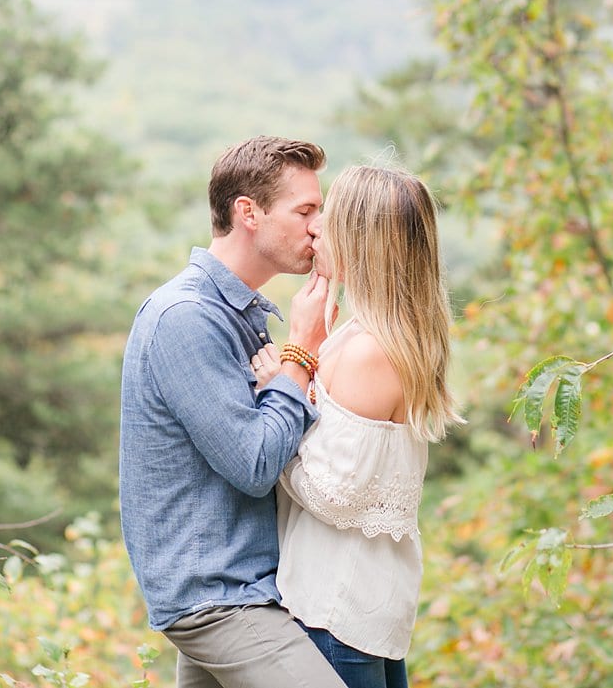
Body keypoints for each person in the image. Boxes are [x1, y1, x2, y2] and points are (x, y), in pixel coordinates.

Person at [119, 135, 347, 688]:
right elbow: (253, 464)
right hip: (219, 599)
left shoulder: (237, 312)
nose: (318, 226)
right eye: (305, 210)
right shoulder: (187, 317)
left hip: (237, 586)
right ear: (248, 212)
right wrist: (300, 353)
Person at [264, 164, 464, 688]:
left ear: (358, 240)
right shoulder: (370, 333)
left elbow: (332, 494)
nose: (314, 229)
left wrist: (284, 378)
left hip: (336, 605)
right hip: (360, 602)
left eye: (327, 220)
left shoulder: (369, 350)